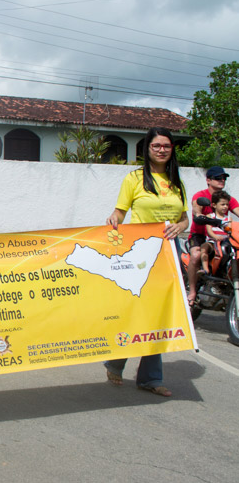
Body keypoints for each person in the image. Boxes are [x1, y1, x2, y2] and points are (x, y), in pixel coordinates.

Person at [105, 127, 188, 398]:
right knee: (136, 311)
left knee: (159, 314)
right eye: (156, 145)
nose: (162, 150)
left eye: (166, 146)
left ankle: (150, 378)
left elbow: (184, 218)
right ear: (147, 149)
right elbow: (120, 212)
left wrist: (180, 227)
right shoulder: (134, 179)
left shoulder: (176, 182)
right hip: (140, 253)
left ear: (172, 149)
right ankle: (116, 361)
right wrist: (114, 220)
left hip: (169, 253)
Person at [186, 166, 239, 305]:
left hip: (222, 237)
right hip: (200, 235)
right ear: (208, 180)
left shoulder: (227, 199)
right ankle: (192, 292)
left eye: (224, 178)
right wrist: (199, 215)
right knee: (196, 255)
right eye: (218, 178)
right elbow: (196, 208)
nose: (222, 180)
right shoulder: (200, 196)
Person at [199, 190, 231, 275]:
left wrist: (227, 236)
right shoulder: (210, 216)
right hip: (213, 242)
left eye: (227, 204)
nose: (225, 207)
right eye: (222, 204)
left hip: (225, 242)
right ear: (214, 205)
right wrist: (216, 237)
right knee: (204, 247)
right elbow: (209, 231)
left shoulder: (228, 218)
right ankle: (205, 269)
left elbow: (230, 230)